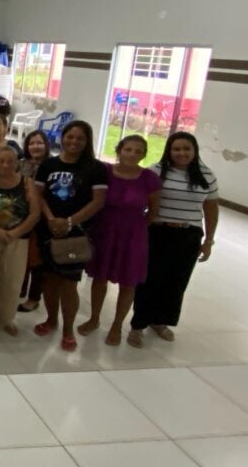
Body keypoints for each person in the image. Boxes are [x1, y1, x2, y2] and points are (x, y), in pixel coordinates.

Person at [129, 132, 219, 347]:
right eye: (176, 149)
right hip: (158, 233)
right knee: (149, 280)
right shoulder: (156, 171)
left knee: (177, 281)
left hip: (188, 236)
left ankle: (160, 321)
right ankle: (138, 325)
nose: (182, 153)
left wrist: (209, 240)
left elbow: (211, 208)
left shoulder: (207, 175)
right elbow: (141, 200)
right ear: (169, 151)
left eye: (186, 148)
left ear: (194, 151)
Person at [75, 135, 162, 346]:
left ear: (143, 154)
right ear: (119, 150)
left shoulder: (149, 178)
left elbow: (153, 211)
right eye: (128, 149)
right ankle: (94, 318)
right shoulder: (104, 172)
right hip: (105, 230)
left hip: (133, 234)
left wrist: (136, 228)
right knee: (99, 278)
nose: (132, 154)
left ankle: (117, 325)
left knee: (128, 282)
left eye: (138, 151)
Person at [33, 121, 108, 351]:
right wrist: (50, 219)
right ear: (62, 137)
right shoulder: (48, 164)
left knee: (68, 284)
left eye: (80, 139)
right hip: (48, 230)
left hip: (76, 233)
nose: (74, 142)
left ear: (87, 142)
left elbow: (98, 202)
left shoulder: (96, 168)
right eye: (70, 137)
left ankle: (67, 329)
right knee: (49, 280)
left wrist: (68, 222)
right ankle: (51, 320)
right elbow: (38, 194)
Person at [0, 147, 41, 336]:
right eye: (1, 161)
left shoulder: (27, 183)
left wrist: (14, 233)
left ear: (17, 164)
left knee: (13, 280)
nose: (5, 165)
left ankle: (6, 317)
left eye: (10, 161)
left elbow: (35, 213)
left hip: (18, 239)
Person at [18, 130, 51, 313]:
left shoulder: (52, 165)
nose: (35, 146)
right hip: (22, 215)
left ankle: (33, 297)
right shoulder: (21, 164)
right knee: (22, 255)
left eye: (39, 143)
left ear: (46, 145)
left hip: (43, 218)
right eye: (31, 143)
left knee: (37, 260)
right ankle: (19, 289)